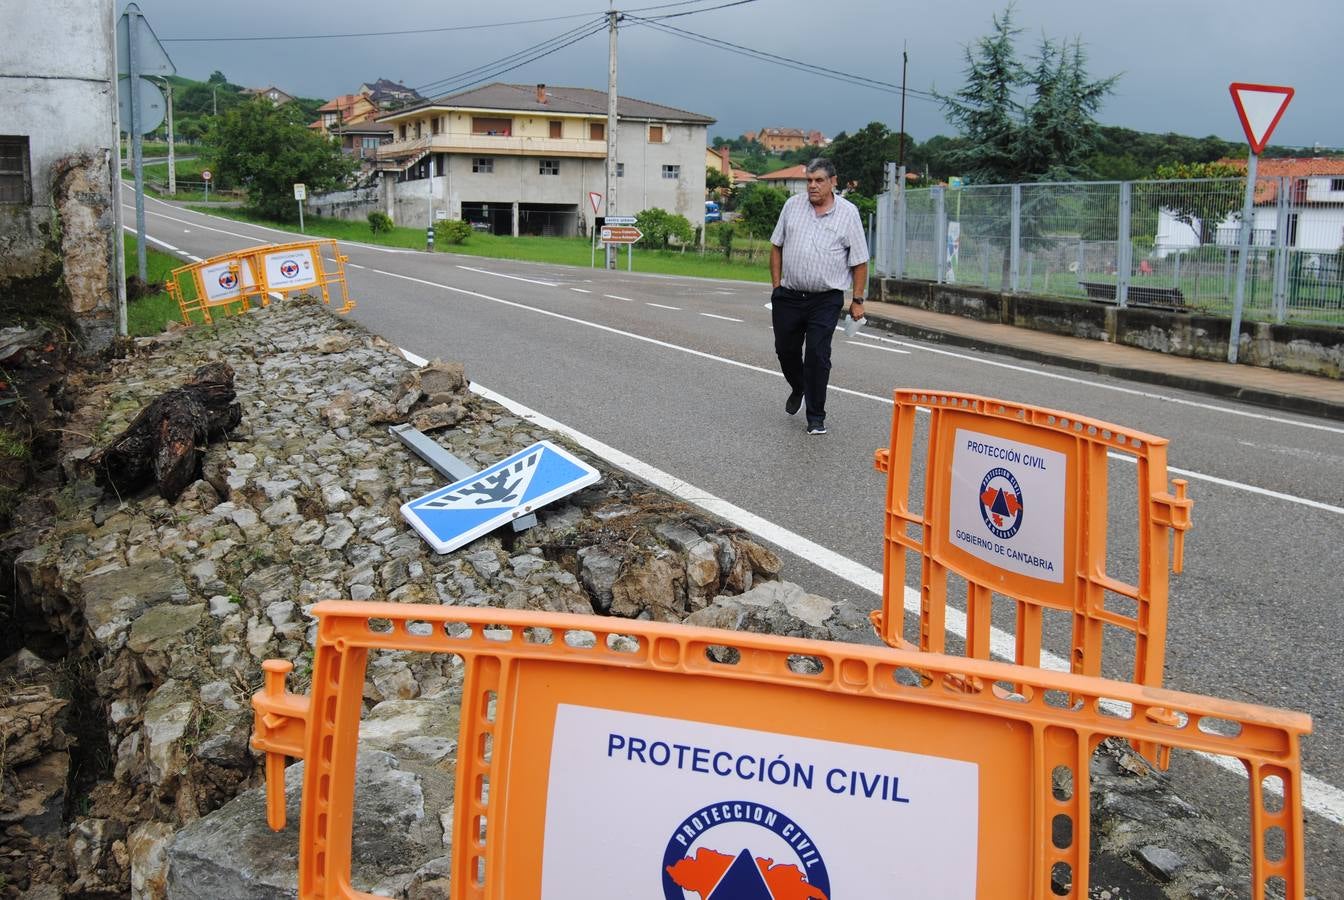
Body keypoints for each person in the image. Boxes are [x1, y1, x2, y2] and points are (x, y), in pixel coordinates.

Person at [768, 158, 869, 435]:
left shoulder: (849, 214)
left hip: (826, 299)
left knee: (817, 354)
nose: (812, 186)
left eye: (819, 180)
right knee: (785, 350)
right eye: (809, 180)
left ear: (833, 182)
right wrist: (776, 288)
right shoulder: (792, 206)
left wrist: (857, 300)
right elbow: (776, 246)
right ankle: (799, 385)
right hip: (788, 296)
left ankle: (816, 416)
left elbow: (860, 261)